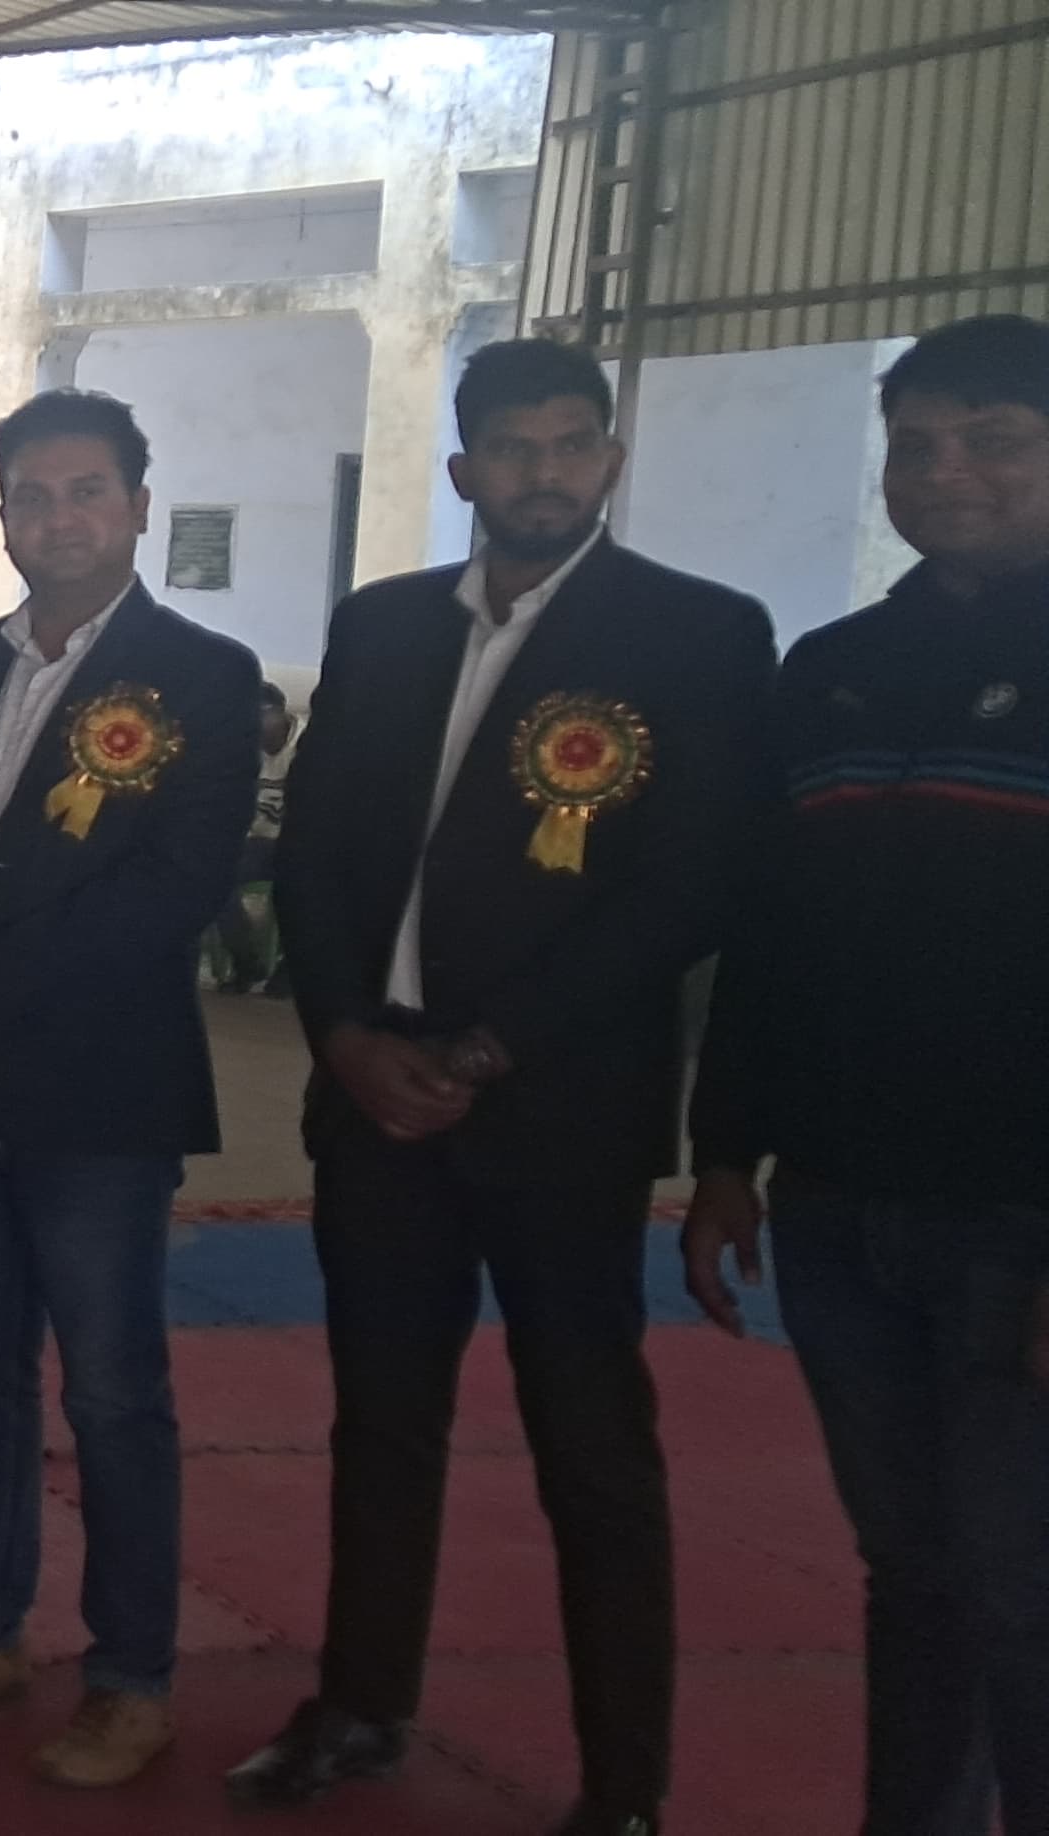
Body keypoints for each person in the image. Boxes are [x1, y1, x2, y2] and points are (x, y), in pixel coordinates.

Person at [230, 339, 772, 1836]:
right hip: (373, 1093)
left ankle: (624, 1785)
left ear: (610, 461)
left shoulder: (696, 633)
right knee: (380, 1423)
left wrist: (486, 1048)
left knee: (591, 1447)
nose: (545, 472)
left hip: (558, 1107)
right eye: (516, 448)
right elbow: (314, 856)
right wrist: (345, 1034)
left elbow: (688, 886)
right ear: (464, 467)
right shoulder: (384, 625)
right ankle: (358, 1703)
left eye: (571, 444)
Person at [0, 388, 260, 1788]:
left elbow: (175, 886)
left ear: (137, 505)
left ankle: (132, 1676)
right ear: (4, 512)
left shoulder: (200, 676)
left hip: (96, 1090)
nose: (58, 518)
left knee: (116, 1389)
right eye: (32, 495)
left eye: (86, 492)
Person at [685, 312, 1049, 1836]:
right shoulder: (832, 672)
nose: (946, 473)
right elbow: (766, 936)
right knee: (912, 1572)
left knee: (1025, 1587)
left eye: (994, 443)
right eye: (917, 447)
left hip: (1017, 1217)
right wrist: (723, 1155)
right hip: (836, 1205)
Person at [216, 681, 297, 995]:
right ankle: (247, 962)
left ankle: (291, 970)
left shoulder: (310, 745)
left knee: (309, 891)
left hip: (298, 847)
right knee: (215, 878)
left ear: (279, 713)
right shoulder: (244, 748)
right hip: (255, 843)